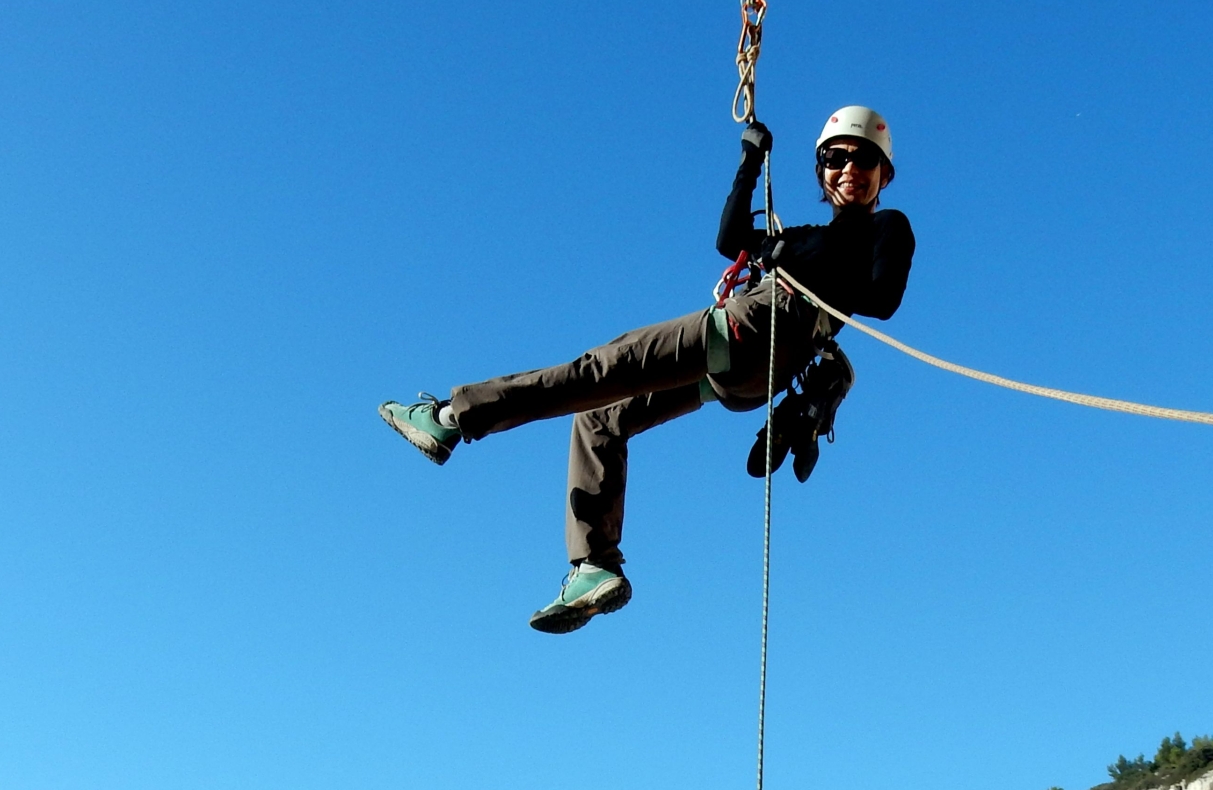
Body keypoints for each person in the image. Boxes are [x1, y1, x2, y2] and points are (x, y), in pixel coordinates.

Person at [379, 106, 916, 633]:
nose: (849, 170)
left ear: (883, 174)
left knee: (597, 370)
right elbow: (730, 240)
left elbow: (882, 297)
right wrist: (750, 162)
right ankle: (595, 566)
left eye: (863, 160)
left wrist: (787, 257)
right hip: (746, 370)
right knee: (600, 416)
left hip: (754, 331)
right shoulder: (799, 237)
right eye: (836, 159)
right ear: (822, 170)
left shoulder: (885, 227)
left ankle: (453, 417)